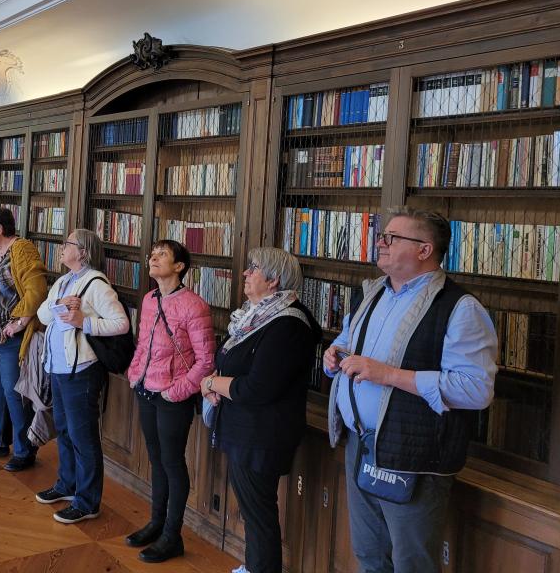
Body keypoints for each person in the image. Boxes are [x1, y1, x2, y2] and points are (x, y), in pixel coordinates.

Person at [323, 207, 497, 573]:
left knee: (411, 562)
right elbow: (347, 339)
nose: (380, 242)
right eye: (382, 235)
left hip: (414, 453)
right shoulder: (372, 293)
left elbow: (477, 389)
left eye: (392, 237)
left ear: (424, 250)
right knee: (369, 555)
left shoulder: (461, 308)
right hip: (361, 444)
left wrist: (389, 374)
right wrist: (334, 353)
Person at [201, 247, 321, 573]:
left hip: (263, 434)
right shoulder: (256, 316)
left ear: (274, 280)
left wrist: (213, 385)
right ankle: (255, 566)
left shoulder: (288, 324)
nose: (245, 273)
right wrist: (216, 380)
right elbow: (232, 366)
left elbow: (257, 387)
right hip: (244, 428)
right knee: (254, 509)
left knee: (259, 511)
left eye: (253, 268)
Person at [126, 239, 215, 563]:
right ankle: (156, 522)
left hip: (172, 396)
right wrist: (135, 374)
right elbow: (143, 344)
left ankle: (172, 536)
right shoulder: (149, 300)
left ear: (179, 266)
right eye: (152, 254)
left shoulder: (194, 305)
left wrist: (176, 392)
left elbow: (206, 361)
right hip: (147, 390)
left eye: (162, 254)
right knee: (156, 460)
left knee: (173, 463)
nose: (153, 258)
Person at [34, 228, 130, 524]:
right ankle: (67, 485)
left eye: (68, 244)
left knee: (83, 436)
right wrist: (57, 306)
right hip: (59, 368)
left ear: (84, 252)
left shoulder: (96, 284)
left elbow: (121, 324)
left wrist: (85, 322)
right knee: (63, 428)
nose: (62, 247)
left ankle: (88, 502)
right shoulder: (63, 281)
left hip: (82, 372)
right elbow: (42, 316)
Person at [0, 206, 47, 472]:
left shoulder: (21, 249)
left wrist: (19, 322)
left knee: (15, 394)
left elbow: (36, 290)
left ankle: (25, 449)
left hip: (10, 337)